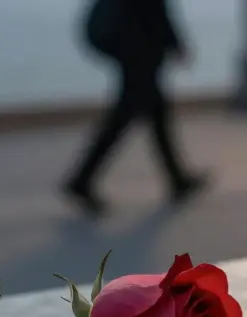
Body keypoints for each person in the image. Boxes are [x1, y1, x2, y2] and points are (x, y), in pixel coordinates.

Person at [63, 0, 206, 215]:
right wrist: (175, 43)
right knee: (125, 117)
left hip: (132, 45)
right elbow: (155, 9)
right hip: (139, 48)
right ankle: (81, 180)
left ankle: (177, 179)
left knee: (154, 114)